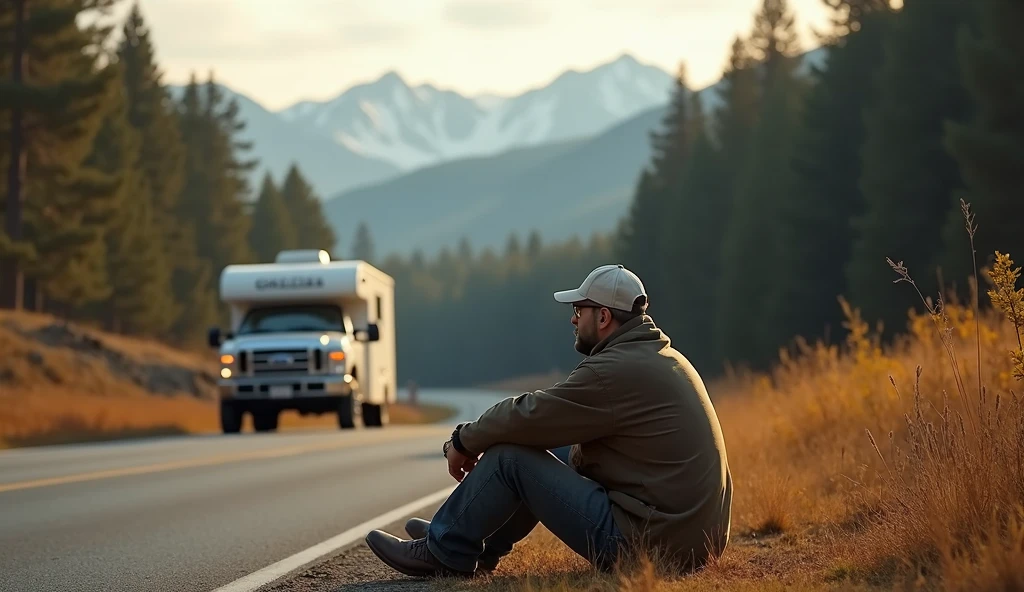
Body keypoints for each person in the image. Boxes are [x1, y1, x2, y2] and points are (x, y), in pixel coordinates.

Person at [364, 264, 733, 578]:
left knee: (512, 457)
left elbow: (527, 414)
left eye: (579, 309)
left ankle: (446, 553)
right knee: (549, 447)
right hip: (692, 542)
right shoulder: (660, 358)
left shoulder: (614, 371)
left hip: (650, 549)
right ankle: (469, 541)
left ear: (603, 317)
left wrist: (462, 441)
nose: (573, 318)